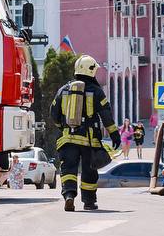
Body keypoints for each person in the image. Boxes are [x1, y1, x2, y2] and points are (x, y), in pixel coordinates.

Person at [50, 54, 120, 212]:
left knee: (68, 170)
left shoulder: (64, 89)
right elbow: (106, 115)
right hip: (89, 141)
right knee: (89, 172)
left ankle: (69, 195)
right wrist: (114, 133)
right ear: (91, 71)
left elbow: (53, 113)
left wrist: (63, 127)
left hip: (68, 139)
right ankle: (89, 202)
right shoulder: (96, 91)